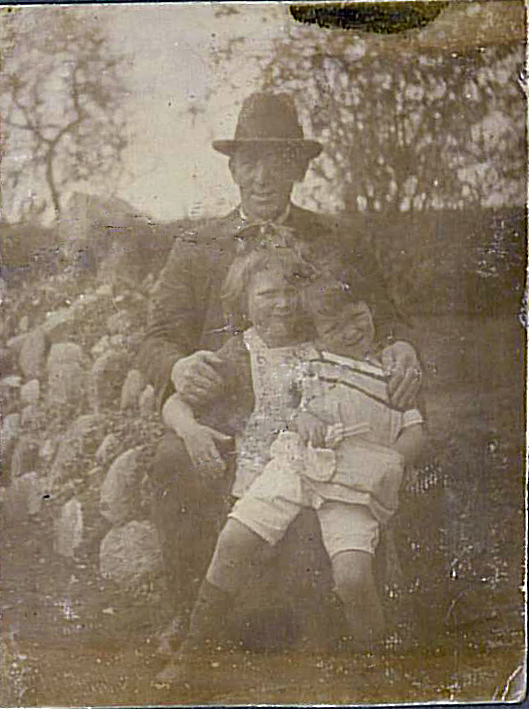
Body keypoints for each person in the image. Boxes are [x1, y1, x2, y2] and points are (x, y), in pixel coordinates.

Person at [137, 91, 423, 653]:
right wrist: (178, 363)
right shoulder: (195, 246)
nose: (262, 175)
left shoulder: (336, 241)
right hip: (228, 411)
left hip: (319, 407)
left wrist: (402, 345)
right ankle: (188, 616)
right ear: (233, 168)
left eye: (277, 160)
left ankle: (358, 613)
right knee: (173, 461)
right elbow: (155, 339)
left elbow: (385, 318)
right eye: (250, 161)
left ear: (299, 168)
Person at [157, 247, 425, 681]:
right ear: (243, 303)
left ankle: (365, 668)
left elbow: (409, 422)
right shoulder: (251, 353)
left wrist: (393, 454)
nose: (282, 304)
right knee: (237, 542)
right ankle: (196, 650)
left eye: (291, 294)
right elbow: (289, 406)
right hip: (287, 468)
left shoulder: (335, 348)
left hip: (348, 482)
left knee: (335, 576)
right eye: (267, 295)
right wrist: (191, 430)